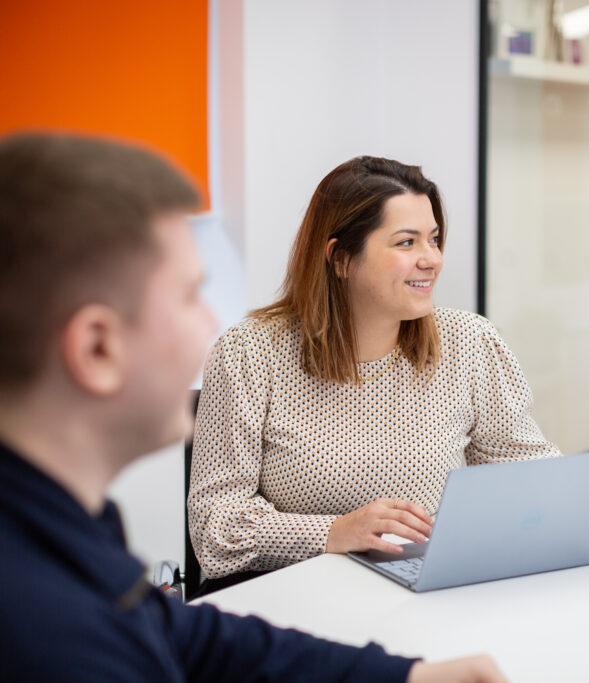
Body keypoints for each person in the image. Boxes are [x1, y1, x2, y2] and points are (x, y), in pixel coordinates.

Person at [0, 132, 505, 682]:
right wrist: (331, 532)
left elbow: (189, 635)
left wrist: (406, 677)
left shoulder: (74, 532)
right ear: (97, 346)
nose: (210, 329)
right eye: (189, 298)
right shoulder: (45, 625)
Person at [188, 156, 575, 590]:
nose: (431, 259)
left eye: (433, 239)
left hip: (425, 591)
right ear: (340, 258)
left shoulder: (470, 342)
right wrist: (332, 533)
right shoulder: (249, 354)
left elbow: (522, 464)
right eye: (406, 243)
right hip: (294, 603)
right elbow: (214, 524)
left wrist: (569, 523)